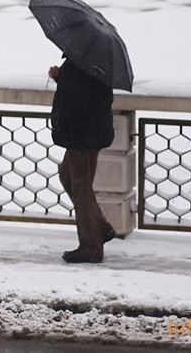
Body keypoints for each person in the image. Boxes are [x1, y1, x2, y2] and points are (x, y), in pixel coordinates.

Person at [49, 56, 116, 263]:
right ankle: (100, 227)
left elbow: (80, 92)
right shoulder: (90, 59)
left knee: (80, 186)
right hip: (88, 131)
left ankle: (91, 246)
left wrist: (61, 77)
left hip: (82, 132)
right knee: (67, 176)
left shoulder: (86, 60)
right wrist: (61, 76)